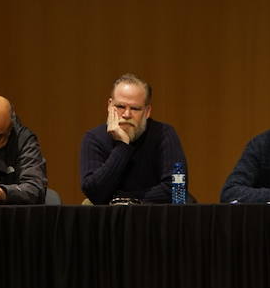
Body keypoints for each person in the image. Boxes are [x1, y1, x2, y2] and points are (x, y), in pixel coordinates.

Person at [80, 73, 191, 204]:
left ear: (147, 111)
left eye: (135, 108)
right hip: (111, 220)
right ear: (110, 106)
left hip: (156, 216)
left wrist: (124, 200)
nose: (127, 114)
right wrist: (122, 146)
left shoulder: (164, 134)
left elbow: (177, 188)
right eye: (120, 107)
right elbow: (94, 193)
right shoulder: (94, 138)